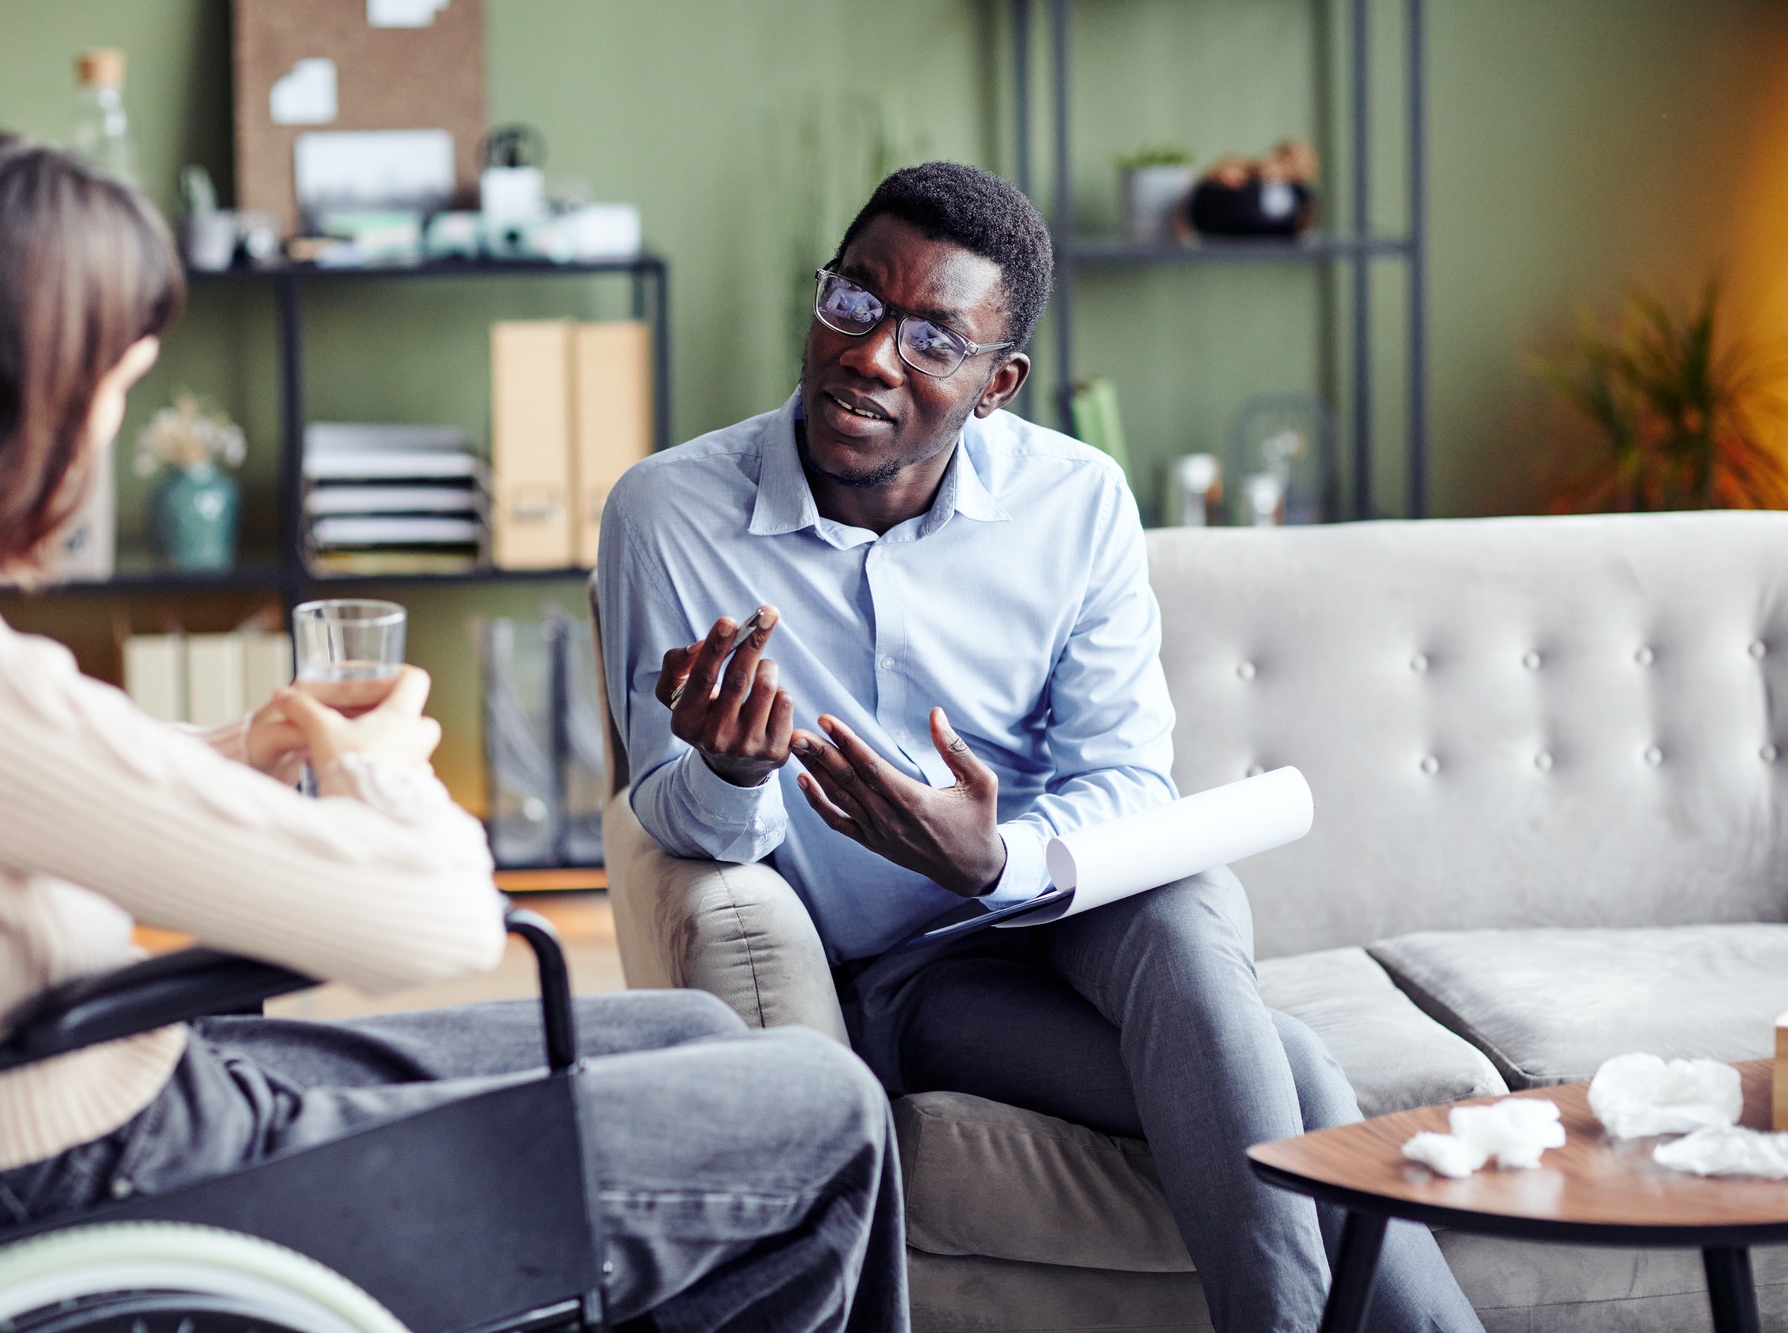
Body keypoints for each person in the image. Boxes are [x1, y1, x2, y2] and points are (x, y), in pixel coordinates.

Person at [0, 131, 906, 1333]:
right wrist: (381, 774)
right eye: (115, 394)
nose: (106, 441)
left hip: (56, 1097)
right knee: (826, 1109)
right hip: (112, 1177)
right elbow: (437, 922)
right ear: (16, 400)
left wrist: (240, 748)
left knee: (692, 1024)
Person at [597, 160, 1483, 1333]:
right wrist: (730, 771)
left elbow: (1126, 778)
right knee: (1298, 1077)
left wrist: (994, 859)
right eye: (853, 300)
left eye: (930, 339)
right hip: (913, 979)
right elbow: (660, 802)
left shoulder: (1077, 500)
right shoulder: (666, 514)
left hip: (1080, 913)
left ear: (997, 381)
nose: (868, 354)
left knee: (1180, 903)